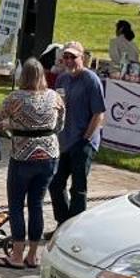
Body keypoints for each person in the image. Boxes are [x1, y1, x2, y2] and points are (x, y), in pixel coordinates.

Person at [0, 56, 63, 269]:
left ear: (22, 76)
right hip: (49, 156)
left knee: (16, 205)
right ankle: (33, 255)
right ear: (42, 76)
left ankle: (16, 255)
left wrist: (10, 124)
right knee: (36, 205)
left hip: (23, 157)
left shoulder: (16, 97)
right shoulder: (54, 97)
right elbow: (60, 125)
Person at [50, 42, 105, 223]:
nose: (69, 61)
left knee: (78, 188)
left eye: (73, 57)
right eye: (65, 57)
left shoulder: (91, 80)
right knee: (56, 184)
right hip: (65, 140)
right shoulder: (61, 79)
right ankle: (63, 224)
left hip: (84, 141)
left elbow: (99, 113)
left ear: (82, 58)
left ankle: (74, 227)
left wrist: (86, 139)